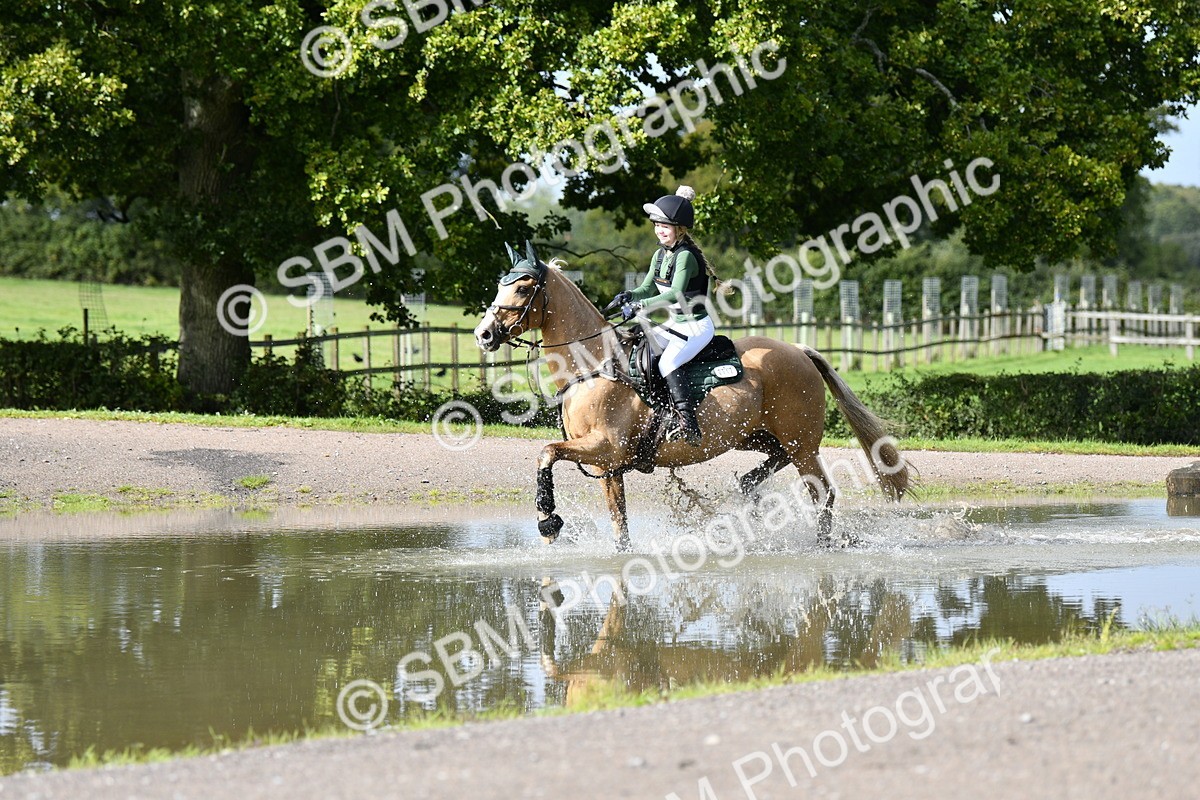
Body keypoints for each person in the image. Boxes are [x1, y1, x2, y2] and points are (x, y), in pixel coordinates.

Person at [609, 185, 718, 446]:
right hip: (675, 324)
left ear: (680, 229)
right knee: (641, 352)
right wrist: (630, 295)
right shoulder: (660, 255)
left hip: (695, 327)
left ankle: (687, 422)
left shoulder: (686, 258)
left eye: (665, 226)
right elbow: (647, 286)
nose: (659, 230)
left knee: (667, 363)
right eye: (657, 225)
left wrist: (641, 305)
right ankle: (661, 409)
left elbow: (675, 294)